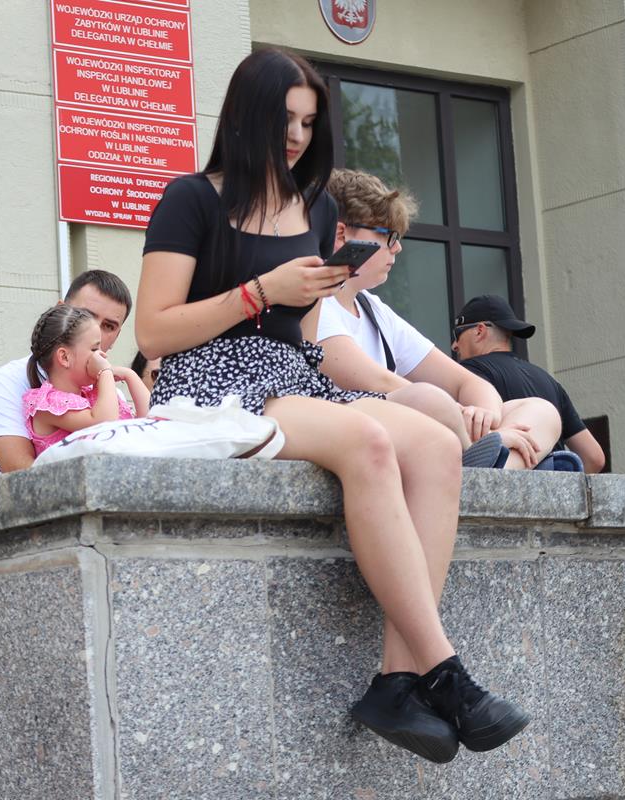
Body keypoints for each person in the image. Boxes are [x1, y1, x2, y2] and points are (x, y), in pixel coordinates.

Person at [135, 47, 528, 763]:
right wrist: (260, 293)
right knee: (367, 443)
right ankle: (446, 672)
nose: (296, 135)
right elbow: (153, 331)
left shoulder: (316, 208)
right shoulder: (190, 198)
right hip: (212, 382)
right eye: (285, 119)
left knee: (435, 443)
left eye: (309, 122)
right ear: (246, 116)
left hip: (294, 375)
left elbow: (309, 332)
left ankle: (397, 678)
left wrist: (360, 366)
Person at [309, 169, 561, 470]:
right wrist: (465, 419)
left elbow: (466, 381)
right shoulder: (314, 301)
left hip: (412, 431)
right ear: (341, 234)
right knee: (428, 398)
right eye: (388, 235)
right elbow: (377, 381)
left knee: (541, 410)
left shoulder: (373, 308)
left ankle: (490, 470)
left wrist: (486, 417)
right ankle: (487, 466)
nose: (397, 247)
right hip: (355, 430)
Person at [0, 270, 132, 479]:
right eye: (86, 316)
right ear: (60, 312)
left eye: (109, 326)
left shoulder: (109, 393)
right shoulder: (7, 383)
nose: (97, 331)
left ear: (117, 336)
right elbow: (21, 473)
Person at [453, 294, 606, 473]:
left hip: (499, 486)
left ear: (480, 331)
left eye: (457, 335)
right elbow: (594, 457)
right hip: (553, 486)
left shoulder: (467, 375)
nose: (454, 345)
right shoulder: (549, 380)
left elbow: (473, 435)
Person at [21, 306, 148, 456]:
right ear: (64, 357)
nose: (102, 356)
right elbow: (105, 425)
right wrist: (105, 372)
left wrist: (130, 375)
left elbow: (152, 420)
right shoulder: (47, 406)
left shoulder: (95, 395)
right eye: (94, 349)